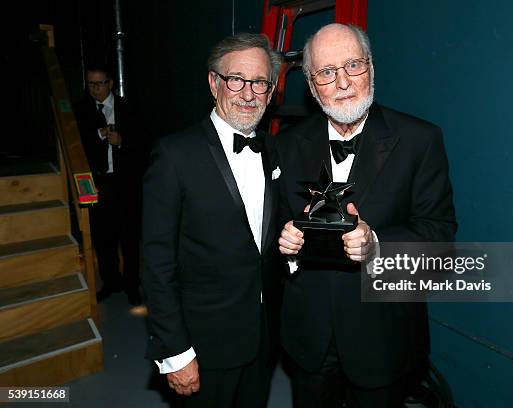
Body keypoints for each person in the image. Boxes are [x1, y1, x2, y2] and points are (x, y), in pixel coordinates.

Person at [277, 23, 457, 408]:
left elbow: (440, 238)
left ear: (371, 68)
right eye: (326, 72)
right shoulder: (285, 145)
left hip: (383, 337)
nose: (342, 82)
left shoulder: (420, 140)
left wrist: (377, 244)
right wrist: (286, 245)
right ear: (311, 86)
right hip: (308, 336)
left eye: (353, 65)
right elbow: (271, 228)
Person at [142, 33, 283, 408]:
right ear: (213, 82)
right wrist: (175, 351)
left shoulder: (275, 149)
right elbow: (156, 263)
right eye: (236, 79)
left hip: (263, 339)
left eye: (259, 83)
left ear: (271, 91)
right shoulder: (174, 155)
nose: (248, 93)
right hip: (202, 347)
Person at [74, 65, 143, 306]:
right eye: (91, 84)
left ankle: (133, 285)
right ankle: (112, 282)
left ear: (111, 83)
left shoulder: (128, 107)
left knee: (129, 237)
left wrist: (122, 141)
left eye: (100, 83)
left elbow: (145, 143)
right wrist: (100, 136)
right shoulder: (81, 110)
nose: (95, 89)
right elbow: (77, 145)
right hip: (98, 183)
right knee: (103, 238)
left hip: (125, 184)